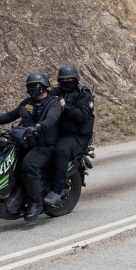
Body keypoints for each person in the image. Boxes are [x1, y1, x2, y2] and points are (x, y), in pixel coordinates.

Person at [0, 72, 61, 221]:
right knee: (8, 162)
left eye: (34, 86)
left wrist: (38, 127)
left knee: (29, 165)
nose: (31, 89)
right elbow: (11, 115)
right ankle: (17, 193)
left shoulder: (52, 103)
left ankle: (36, 203)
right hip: (27, 143)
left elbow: (51, 119)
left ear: (43, 87)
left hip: (45, 145)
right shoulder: (27, 103)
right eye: (29, 86)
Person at [43, 65, 94, 206]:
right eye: (63, 80)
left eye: (69, 79)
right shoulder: (55, 92)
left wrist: (65, 106)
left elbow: (83, 115)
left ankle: (57, 191)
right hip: (58, 132)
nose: (66, 82)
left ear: (76, 79)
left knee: (60, 151)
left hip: (77, 135)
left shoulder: (84, 94)